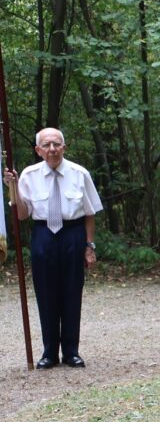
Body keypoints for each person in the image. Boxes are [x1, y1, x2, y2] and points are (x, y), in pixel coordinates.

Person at [4, 128, 102, 369]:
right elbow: (23, 214)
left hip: (72, 233)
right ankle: (49, 352)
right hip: (43, 234)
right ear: (38, 150)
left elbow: (90, 213)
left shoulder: (79, 174)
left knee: (71, 291)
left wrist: (89, 246)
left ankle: (71, 351)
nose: (52, 150)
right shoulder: (28, 175)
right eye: (46, 145)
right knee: (46, 292)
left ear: (64, 147)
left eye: (56, 144)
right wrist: (13, 188)